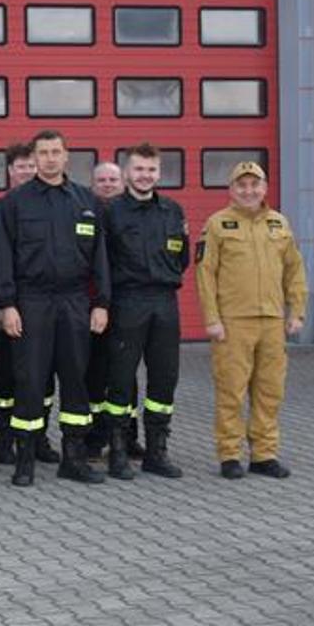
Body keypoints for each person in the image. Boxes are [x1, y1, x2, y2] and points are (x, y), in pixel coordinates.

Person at [0, 131, 112, 487]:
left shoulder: (87, 202)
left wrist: (102, 303)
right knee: (30, 380)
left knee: (75, 380)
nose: (51, 158)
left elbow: (100, 258)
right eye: (44, 153)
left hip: (75, 301)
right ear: (35, 158)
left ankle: (74, 459)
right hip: (32, 301)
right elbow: (2, 259)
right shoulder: (15, 204)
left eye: (56, 152)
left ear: (67, 156)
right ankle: (24, 461)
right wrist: (7, 305)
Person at [196, 161, 306, 480]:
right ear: (231, 190)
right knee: (231, 391)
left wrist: (296, 311)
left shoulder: (279, 224)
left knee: (270, 391)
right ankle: (230, 454)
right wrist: (212, 319)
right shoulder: (218, 224)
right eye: (241, 185)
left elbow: (294, 270)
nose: (249, 191)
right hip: (233, 323)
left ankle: (264, 454)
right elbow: (206, 274)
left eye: (254, 185)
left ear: (264, 188)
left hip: (271, 321)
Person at [101, 145, 189, 480]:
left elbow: (181, 257)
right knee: (120, 380)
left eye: (151, 170)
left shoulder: (172, 211)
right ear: (126, 173)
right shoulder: (111, 212)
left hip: (165, 303)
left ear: (159, 173)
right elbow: (101, 263)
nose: (145, 175)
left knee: (165, 378)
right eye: (138, 169)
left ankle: (157, 452)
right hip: (127, 302)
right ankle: (118, 450)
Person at [0, 144, 54, 466]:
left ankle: (38, 438)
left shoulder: (49, 207)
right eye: (21, 167)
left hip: (45, 309)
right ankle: (3, 440)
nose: (27, 172)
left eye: (31, 166)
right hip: (9, 308)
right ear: (10, 171)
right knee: (6, 376)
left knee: (44, 377)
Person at [82, 161, 126, 462]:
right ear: (93, 184)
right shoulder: (86, 212)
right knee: (94, 374)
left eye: (113, 179)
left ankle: (126, 437)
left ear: (122, 182)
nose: (108, 184)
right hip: (94, 305)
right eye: (102, 180)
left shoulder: (131, 212)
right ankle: (94, 439)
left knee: (125, 376)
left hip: (126, 305)